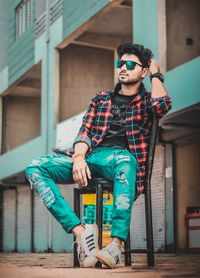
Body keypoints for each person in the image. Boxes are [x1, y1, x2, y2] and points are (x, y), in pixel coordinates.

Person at [25, 43, 172, 269]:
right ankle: (81, 231)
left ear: (143, 72)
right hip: (90, 157)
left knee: (125, 160)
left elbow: (162, 105)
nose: (123, 67)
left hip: (121, 161)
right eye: (120, 63)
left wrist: (156, 73)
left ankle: (115, 245)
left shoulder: (146, 102)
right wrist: (79, 157)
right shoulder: (101, 99)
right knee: (34, 168)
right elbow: (84, 131)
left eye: (130, 64)